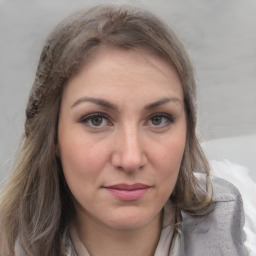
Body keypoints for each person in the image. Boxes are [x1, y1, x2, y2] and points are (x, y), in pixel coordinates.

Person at [0, 4, 248, 256]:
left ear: (187, 131)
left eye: (158, 119)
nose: (131, 159)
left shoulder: (232, 227)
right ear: (52, 136)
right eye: (96, 120)